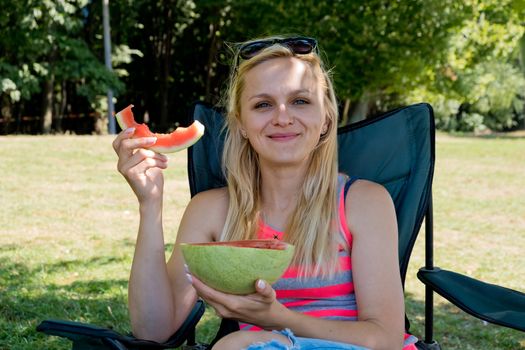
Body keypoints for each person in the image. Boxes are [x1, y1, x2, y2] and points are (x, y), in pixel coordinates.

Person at [112, 36, 418, 350]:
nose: (283, 117)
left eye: (300, 101)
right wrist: (150, 205)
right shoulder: (212, 211)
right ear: (241, 123)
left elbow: (385, 339)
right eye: (263, 104)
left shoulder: (363, 203)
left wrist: (278, 319)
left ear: (326, 117)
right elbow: (154, 330)